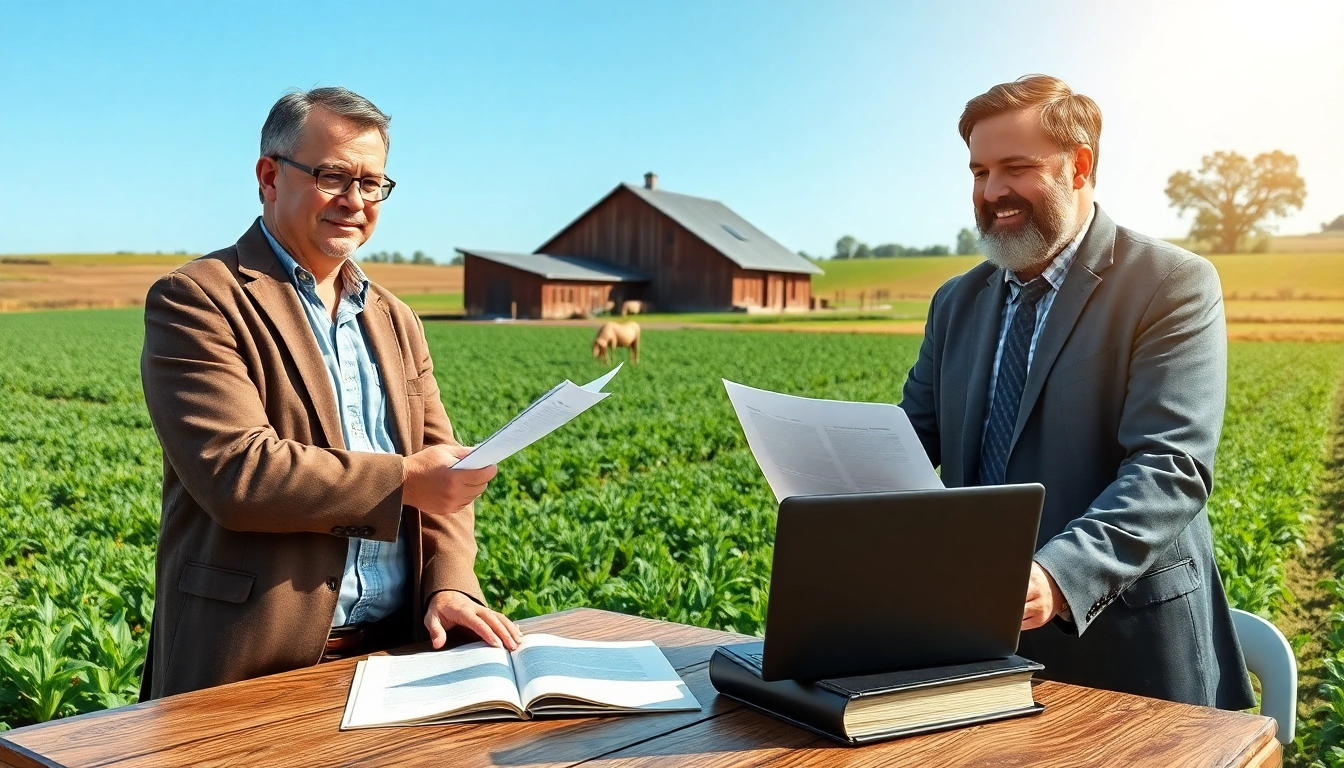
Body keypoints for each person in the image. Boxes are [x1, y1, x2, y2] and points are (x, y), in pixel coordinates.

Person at [139, 87, 520, 699]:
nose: (355, 201)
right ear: (269, 176)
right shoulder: (200, 297)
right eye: (333, 176)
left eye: (372, 184)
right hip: (253, 657)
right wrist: (402, 481)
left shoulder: (395, 317)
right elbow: (236, 473)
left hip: (402, 651)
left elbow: (444, 466)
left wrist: (451, 583)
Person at [899, 74, 1254, 709]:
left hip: (1127, 653)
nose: (992, 191)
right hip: (971, 648)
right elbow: (908, 438)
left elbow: (1170, 465)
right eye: (979, 172)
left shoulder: (1169, 283)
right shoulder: (956, 301)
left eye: (1016, 167)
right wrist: (824, 463)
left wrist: (1058, 576)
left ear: (1079, 165)